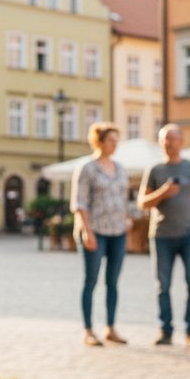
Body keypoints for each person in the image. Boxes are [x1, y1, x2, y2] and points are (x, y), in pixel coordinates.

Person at [138, 123, 190, 348]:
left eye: (173, 138)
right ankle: (165, 330)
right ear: (160, 143)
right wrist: (163, 192)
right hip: (161, 235)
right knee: (163, 285)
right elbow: (142, 203)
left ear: (182, 141)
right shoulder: (155, 170)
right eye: (165, 139)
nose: (170, 143)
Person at [70, 122, 132, 346]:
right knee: (91, 281)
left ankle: (110, 327)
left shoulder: (120, 168)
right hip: (95, 231)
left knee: (113, 282)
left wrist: (127, 218)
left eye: (117, 140)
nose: (115, 144)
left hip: (118, 231)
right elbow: (80, 203)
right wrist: (87, 231)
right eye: (111, 140)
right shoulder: (87, 168)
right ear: (99, 141)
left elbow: (124, 198)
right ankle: (88, 330)